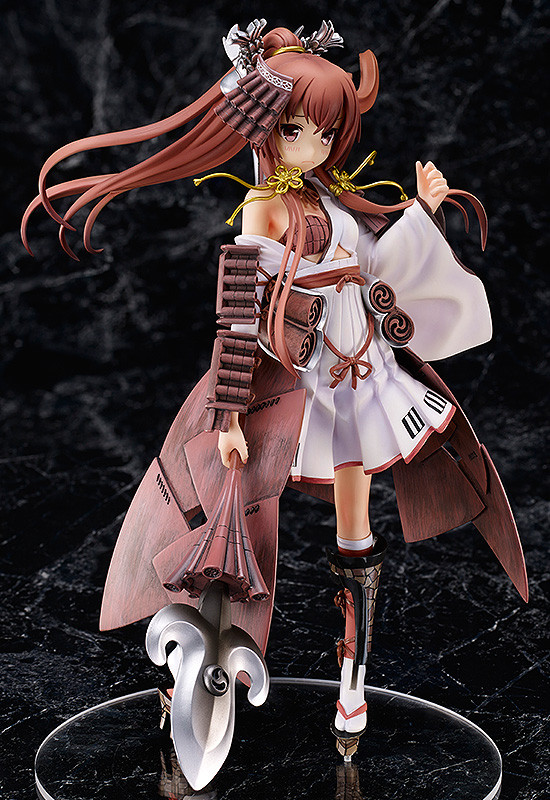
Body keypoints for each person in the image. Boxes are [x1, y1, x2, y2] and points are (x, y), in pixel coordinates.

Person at [22, 20, 527, 762]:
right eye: (298, 130)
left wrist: (421, 210)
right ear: (265, 128)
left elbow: (378, 266)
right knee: (236, 524)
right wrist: (228, 412)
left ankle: (352, 685)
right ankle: (201, 671)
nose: (314, 146)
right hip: (295, 381)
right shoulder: (266, 209)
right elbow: (235, 317)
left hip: (360, 374)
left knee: (358, 533)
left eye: (327, 132)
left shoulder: (332, 197)